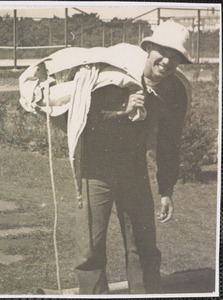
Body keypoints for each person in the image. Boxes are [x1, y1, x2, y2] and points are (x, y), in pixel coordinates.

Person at [73, 20, 193, 294]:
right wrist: (121, 112)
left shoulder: (174, 91)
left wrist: (166, 190)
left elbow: (169, 142)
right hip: (95, 168)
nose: (167, 62)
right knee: (89, 250)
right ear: (148, 48)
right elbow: (81, 119)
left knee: (143, 247)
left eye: (176, 58)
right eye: (163, 52)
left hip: (133, 170)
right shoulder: (113, 77)